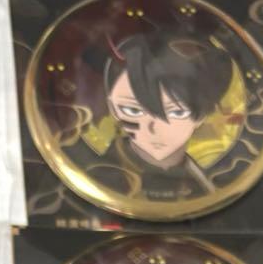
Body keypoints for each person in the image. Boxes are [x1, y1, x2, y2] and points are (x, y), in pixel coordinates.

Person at [73, 30, 232, 203]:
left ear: (202, 115)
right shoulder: (96, 179)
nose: (154, 128)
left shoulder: (211, 184)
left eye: (177, 112)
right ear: (113, 108)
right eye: (133, 110)